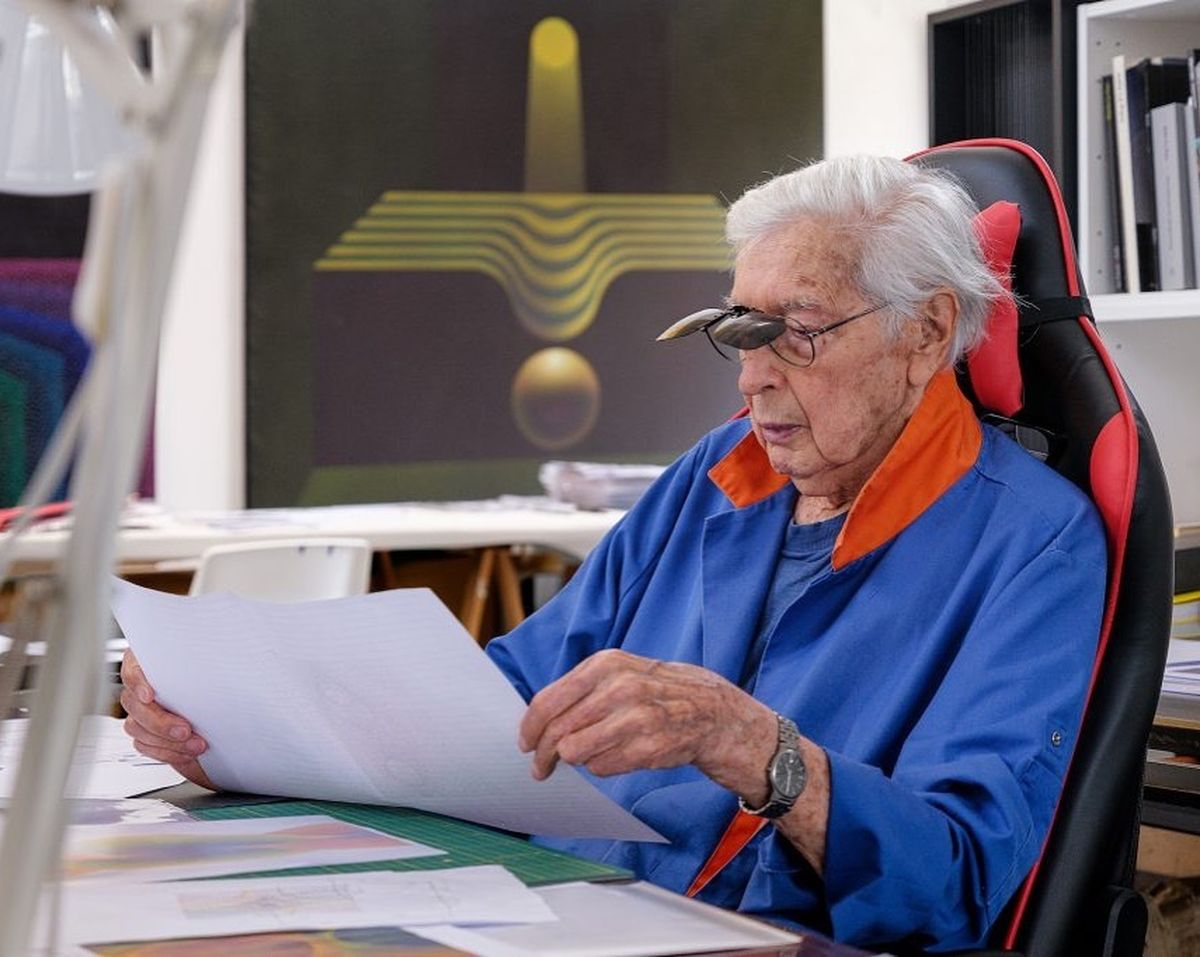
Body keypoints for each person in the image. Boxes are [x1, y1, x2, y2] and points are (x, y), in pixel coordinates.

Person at [121, 155, 1106, 952]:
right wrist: (236, 721)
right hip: (554, 912)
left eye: (794, 334)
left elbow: (959, 885)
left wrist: (755, 748)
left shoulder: (1034, 545)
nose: (753, 380)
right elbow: (507, 696)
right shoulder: (718, 473)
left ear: (926, 332)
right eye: (737, 331)